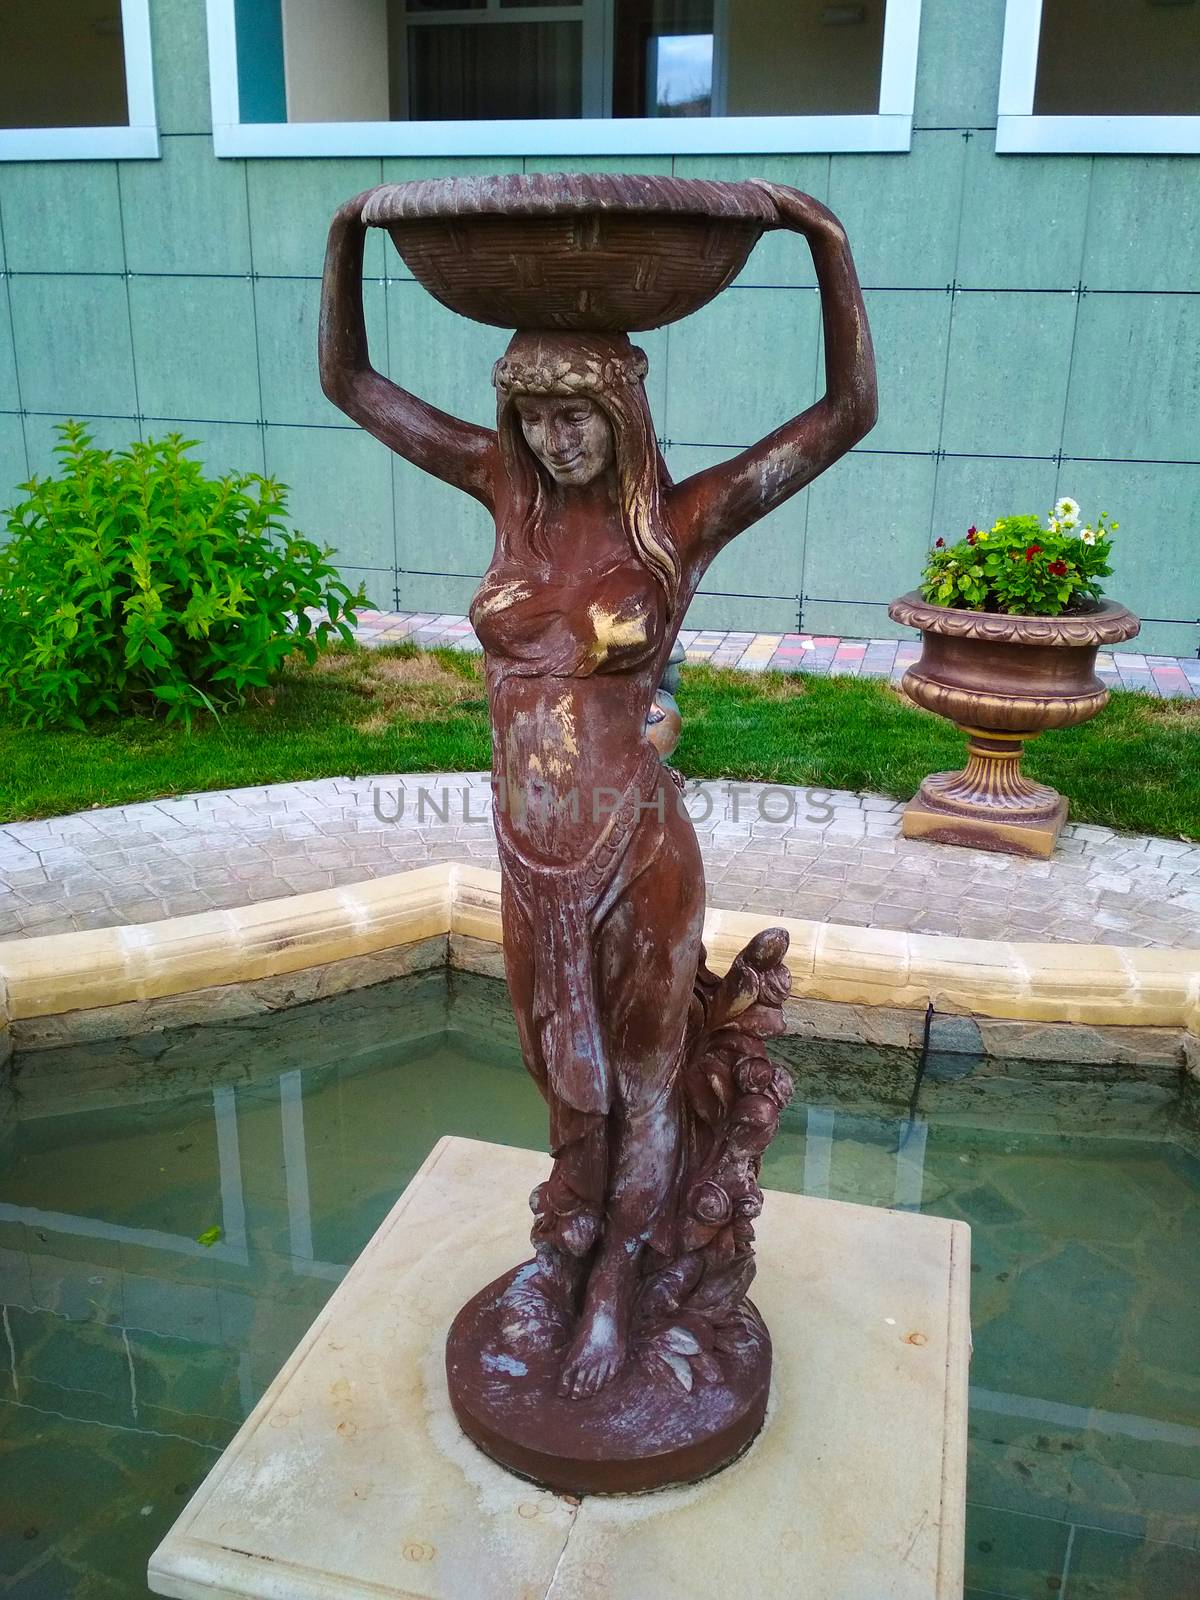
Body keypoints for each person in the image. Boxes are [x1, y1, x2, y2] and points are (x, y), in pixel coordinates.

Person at [320, 182, 876, 1399]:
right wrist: (344, 242)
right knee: (556, 1074)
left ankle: (620, 1280)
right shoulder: (501, 495)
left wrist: (824, 243)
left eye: (579, 414)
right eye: (536, 417)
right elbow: (352, 389)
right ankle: (562, 1254)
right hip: (530, 856)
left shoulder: (679, 522)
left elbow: (844, 415)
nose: (557, 438)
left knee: (637, 1074)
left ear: (621, 414)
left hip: (638, 851)